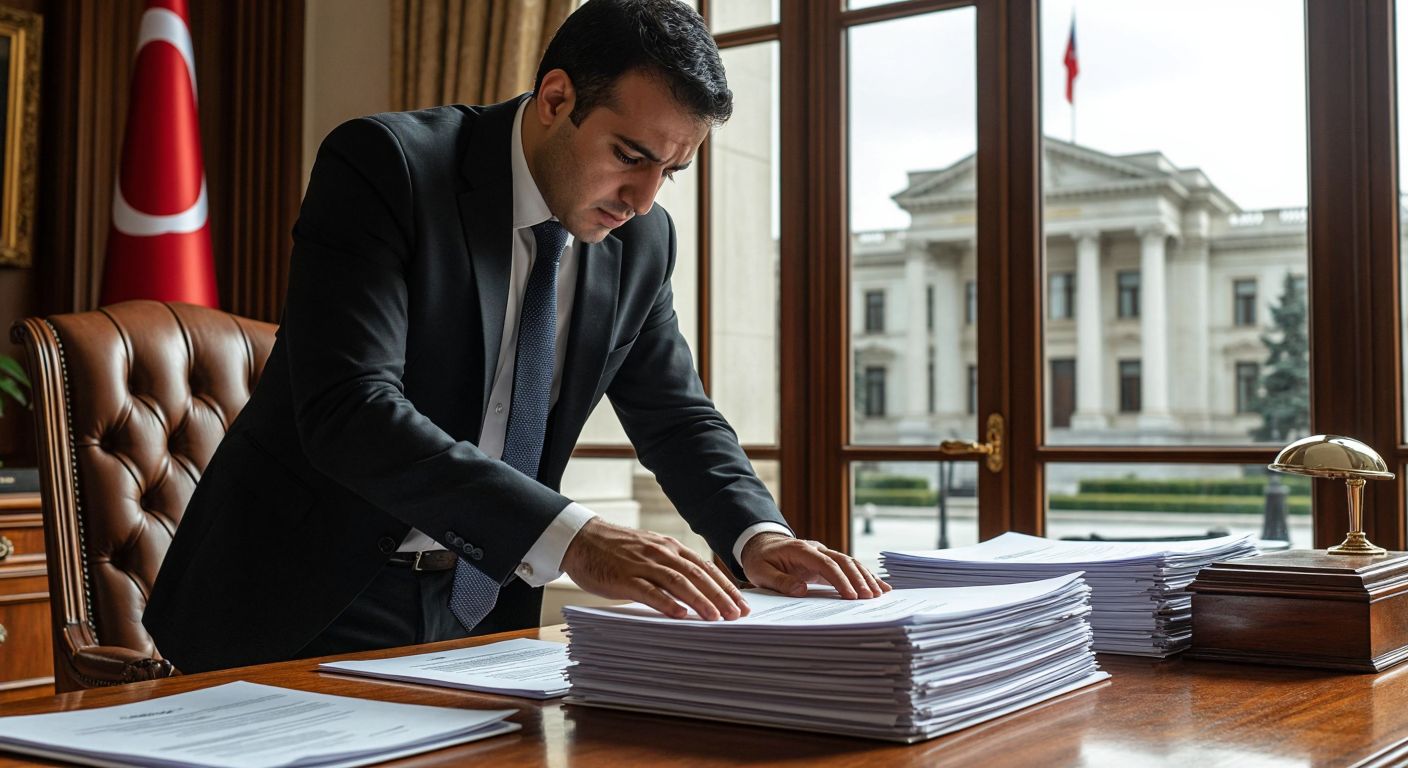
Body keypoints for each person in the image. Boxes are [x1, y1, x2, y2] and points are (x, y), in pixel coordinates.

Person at [143, 0, 888, 674]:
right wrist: (575, 538)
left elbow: (675, 415)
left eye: (672, 170)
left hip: (486, 606)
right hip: (305, 598)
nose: (643, 199)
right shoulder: (386, 167)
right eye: (630, 156)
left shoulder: (643, 242)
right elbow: (350, 409)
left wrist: (758, 536)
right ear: (556, 98)